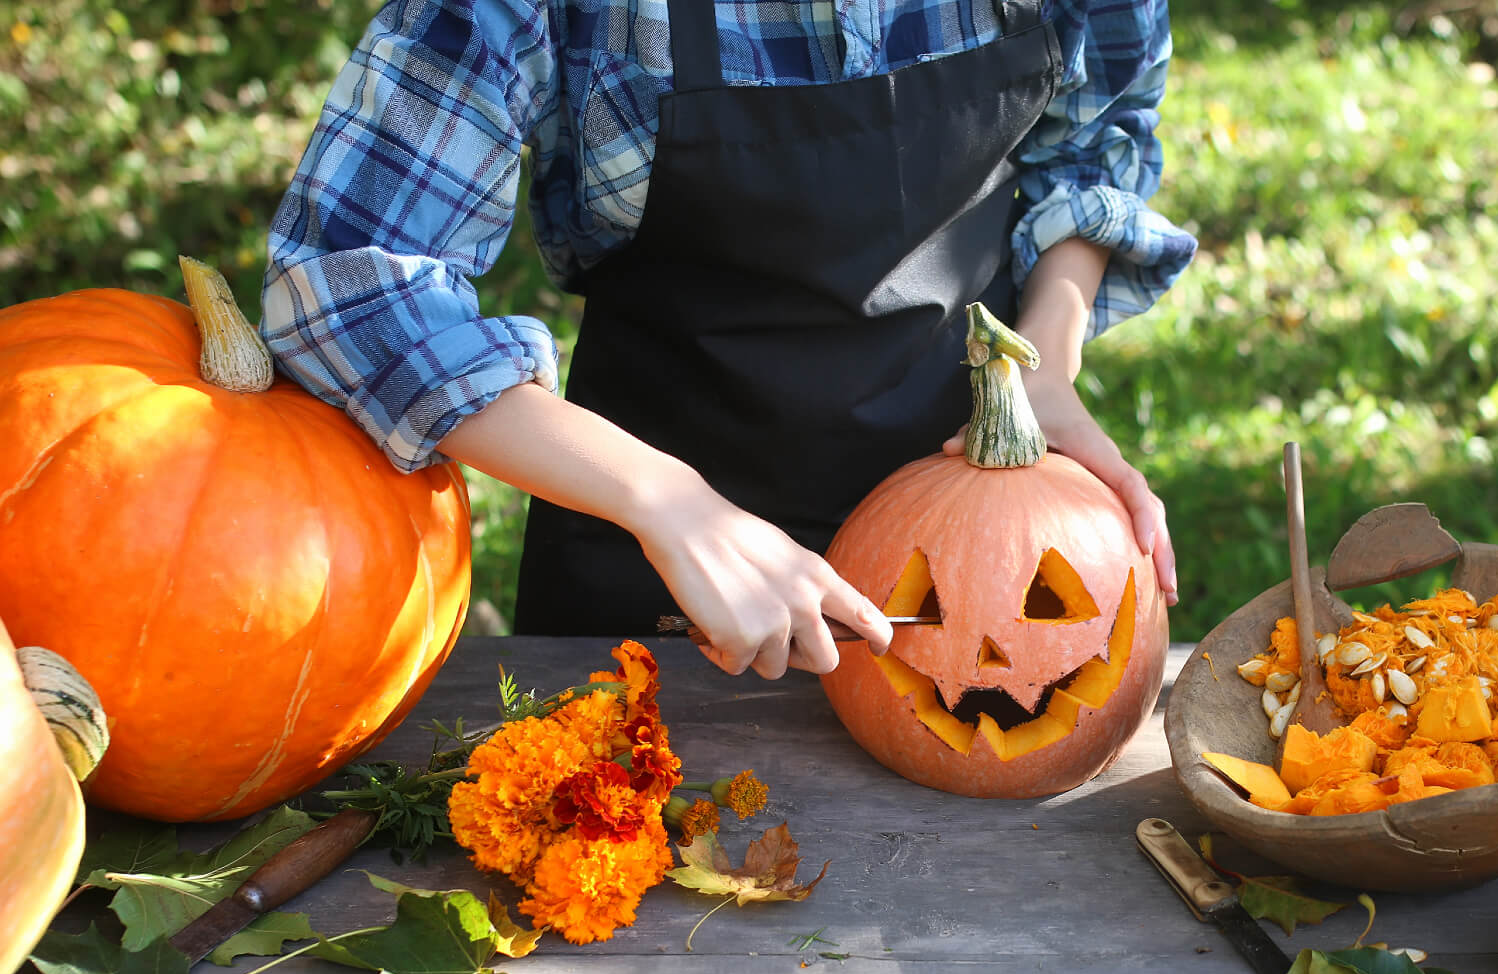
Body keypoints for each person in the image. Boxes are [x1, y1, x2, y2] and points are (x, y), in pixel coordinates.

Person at [262, 0, 1195, 680]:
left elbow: (1091, 141)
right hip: (647, 573)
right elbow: (347, 281)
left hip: (976, 549)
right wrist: (665, 502)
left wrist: (1047, 366)